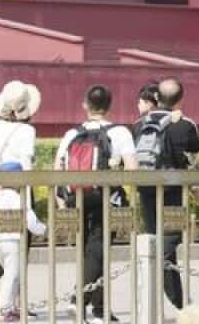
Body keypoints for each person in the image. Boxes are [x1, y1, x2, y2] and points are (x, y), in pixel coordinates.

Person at [54, 85, 137, 324]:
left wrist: (61, 201)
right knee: (99, 249)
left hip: (76, 197)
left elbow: (57, 168)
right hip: (106, 196)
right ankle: (78, 300)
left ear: (85, 105)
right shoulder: (119, 132)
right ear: (109, 105)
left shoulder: (72, 133)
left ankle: (100, 311)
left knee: (88, 252)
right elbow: (132, 169)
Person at [133, 77, 199, 311]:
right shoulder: (185, 125)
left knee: (157, 240)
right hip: (173, 193)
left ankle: (179, 301)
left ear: (156, 97)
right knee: (169, 240)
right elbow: (194, 158)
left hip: (146, 191)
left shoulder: (139, 125)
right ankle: (149, 262)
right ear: (180, 99)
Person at [0, 80, 47, 322]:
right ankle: (9, 304)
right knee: (18, 253)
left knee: (1, 249)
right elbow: (26, 164)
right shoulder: (26, 131)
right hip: (18, 191)